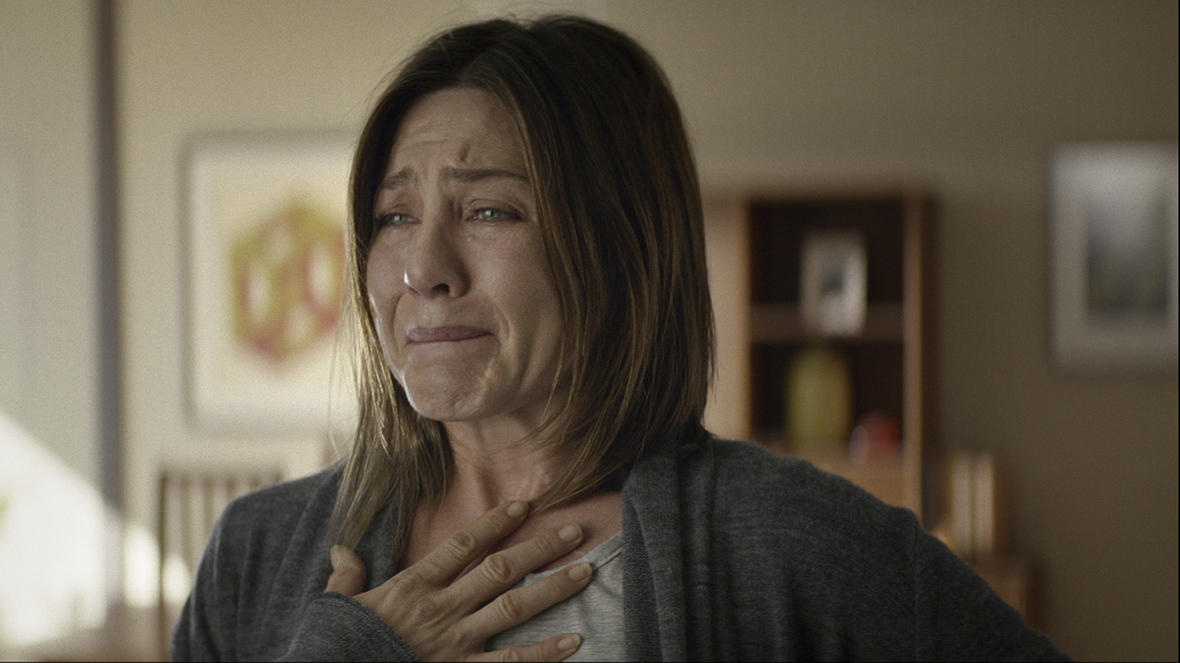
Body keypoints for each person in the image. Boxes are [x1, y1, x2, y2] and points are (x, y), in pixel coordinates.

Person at [172, 15, 1067, 662]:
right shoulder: (256, 551)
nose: (424, 268)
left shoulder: (791, 543)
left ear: (617, 245)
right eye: (394, 215)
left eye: (490, 210)